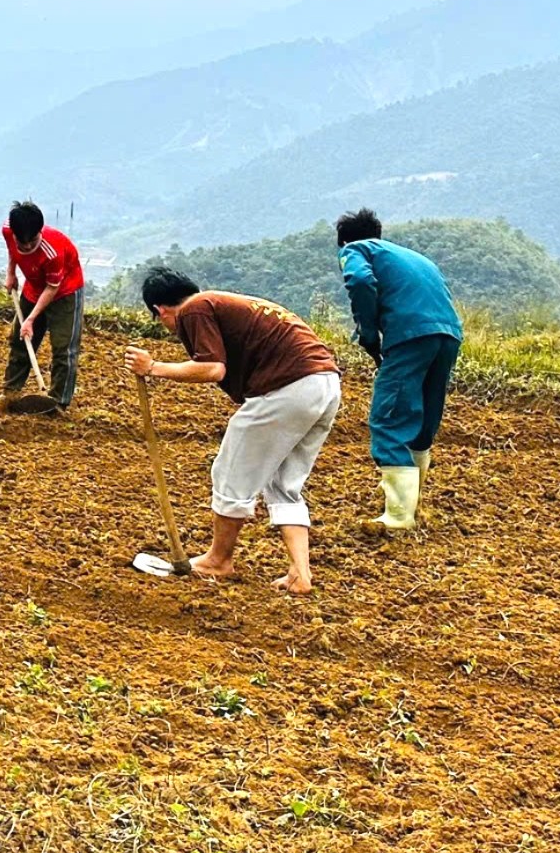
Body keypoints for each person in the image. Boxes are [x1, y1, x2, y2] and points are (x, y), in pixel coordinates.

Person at [126, 268, 342, 596]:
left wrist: (154, 368)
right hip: (325, 384)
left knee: (230, 471)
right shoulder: (224, 302)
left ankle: (218, 560)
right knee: (284, 484)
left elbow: (213, 368)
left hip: (289, 386)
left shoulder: (194, 309)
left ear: (161, 310)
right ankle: (301, 574)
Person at [335, 209, 462, 532]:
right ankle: (412, 505)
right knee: (423, 420)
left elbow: (360, 281)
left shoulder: (355, 249)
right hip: (447, 334)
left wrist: (367, 330)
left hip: (409, 335)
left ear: (344, 240)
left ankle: (398, 516)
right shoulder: (414, 257)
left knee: (388, 417)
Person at [0, 199, 86, 411]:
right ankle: (9, 393)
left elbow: (52, 288)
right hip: (33, 287)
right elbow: (13, 249)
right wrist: (11, 273)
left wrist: (30, 319)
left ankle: (57, 403)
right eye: (23, 242)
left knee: (64, 349)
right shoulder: (9, 231)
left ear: (40, 231)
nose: (28, 246)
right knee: (20, 342)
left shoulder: (52, 252)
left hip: (64, 293)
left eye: (33, 241)